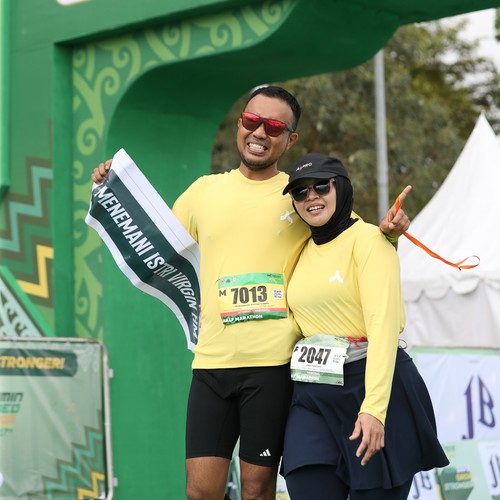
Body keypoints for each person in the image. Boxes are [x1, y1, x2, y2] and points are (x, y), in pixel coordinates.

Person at [91, 86, 411, 500]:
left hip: (272, 366)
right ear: (240, 124)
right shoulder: (203, 191)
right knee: (200, 491)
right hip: (211, 363)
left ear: (290, 139)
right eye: (251, 121)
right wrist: (114, 187)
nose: (260, 132)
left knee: (257, 491)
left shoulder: (300, 192)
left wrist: (391, 236)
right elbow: (156, 240)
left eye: (274, 126)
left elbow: (351, 238)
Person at [280, 152, 448, 500]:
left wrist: (374, 409)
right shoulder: (298, 250)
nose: (311, 196)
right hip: (312, 394)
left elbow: (383, 328)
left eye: (321, 186)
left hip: (370, 388)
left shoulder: (371, 240)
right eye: (300, 191)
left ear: (341, 188)